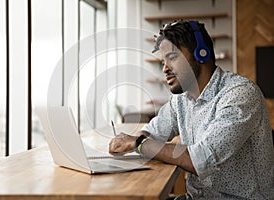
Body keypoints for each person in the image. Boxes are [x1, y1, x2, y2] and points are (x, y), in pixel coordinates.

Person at [109, 20, 274, 199]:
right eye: (163, 61)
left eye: (172, 58)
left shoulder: (240, 93)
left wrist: (138, 144)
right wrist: (130, 142)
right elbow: (152, 132)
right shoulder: (181, 99)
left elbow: (200, 160)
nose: (164, 69)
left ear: (201, 54)